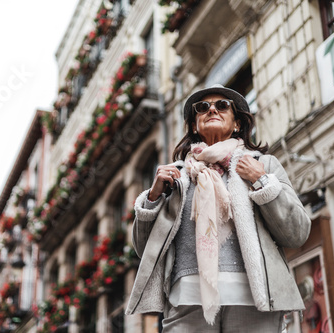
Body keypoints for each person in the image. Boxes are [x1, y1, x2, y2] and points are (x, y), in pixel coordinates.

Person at [125, 84, 311, 332]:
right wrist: (152, 198)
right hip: (187, 301)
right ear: (194, 125)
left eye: (222, 105)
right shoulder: (176, 176)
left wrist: (262, 181)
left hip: (254, 300)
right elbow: (143, 249)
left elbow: (297, 232)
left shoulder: (262, 164)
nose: (211, 109)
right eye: (202, 108)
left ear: (237, 124)